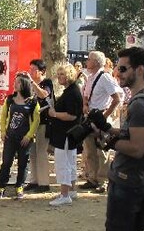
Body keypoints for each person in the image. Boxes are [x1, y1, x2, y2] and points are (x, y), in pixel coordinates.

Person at [92, 47, 144, 231]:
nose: (117, 73)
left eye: (122, 68)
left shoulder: (140, 105)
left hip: (127, 182)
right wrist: (109, 130)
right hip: (133, 180)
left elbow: (138, 148)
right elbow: (135, 136)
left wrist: (107, 142)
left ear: (139, 70)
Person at [80, 51, 123, 193]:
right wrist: (85, 104)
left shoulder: (105, 77)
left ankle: (103, 181)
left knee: (102, 151)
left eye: (90, 59)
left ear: (97, 62)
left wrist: (105, 116)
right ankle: (92, 178)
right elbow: (86, 95)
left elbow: (116, 98)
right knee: (89, 150)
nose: (87, 61)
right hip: (90, 117)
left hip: (101, 116)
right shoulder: (90, 77)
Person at [0, 73, 40, 200]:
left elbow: (36, 120)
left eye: (18, 82)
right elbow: (3, 116)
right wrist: (3, 132)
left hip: (25, 139)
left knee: (23, 163)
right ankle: (1, 186)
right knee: (6, 162)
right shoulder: (9, 99)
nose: (15, 84)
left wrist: (29, 136)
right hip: (10, 137)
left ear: (24, 84)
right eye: (15, 81)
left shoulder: (32, 102)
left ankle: (19, 186)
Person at [47, 64, 83, 206]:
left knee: (63, 163)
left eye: (62, 74)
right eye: (59, 74)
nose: (59, 77)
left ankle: (65, 194)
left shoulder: (72, 92)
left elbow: (71, 115)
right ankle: (71, 190)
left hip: (66, 134)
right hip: (68, 134)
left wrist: (54, 114)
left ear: (69, 76)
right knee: (70, 162)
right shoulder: (71, 91)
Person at [23, 59, 54, 193]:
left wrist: (31, 82)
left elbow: (44, 94)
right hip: (32, 122)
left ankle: (44, 183)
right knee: (33, 153)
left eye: (33, 69)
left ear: (41, 71)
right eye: (29, 69)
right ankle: (34, 180)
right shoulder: (31, 85)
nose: (30, 72)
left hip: (44, 122)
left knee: (41, 152)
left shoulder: (47, 83)